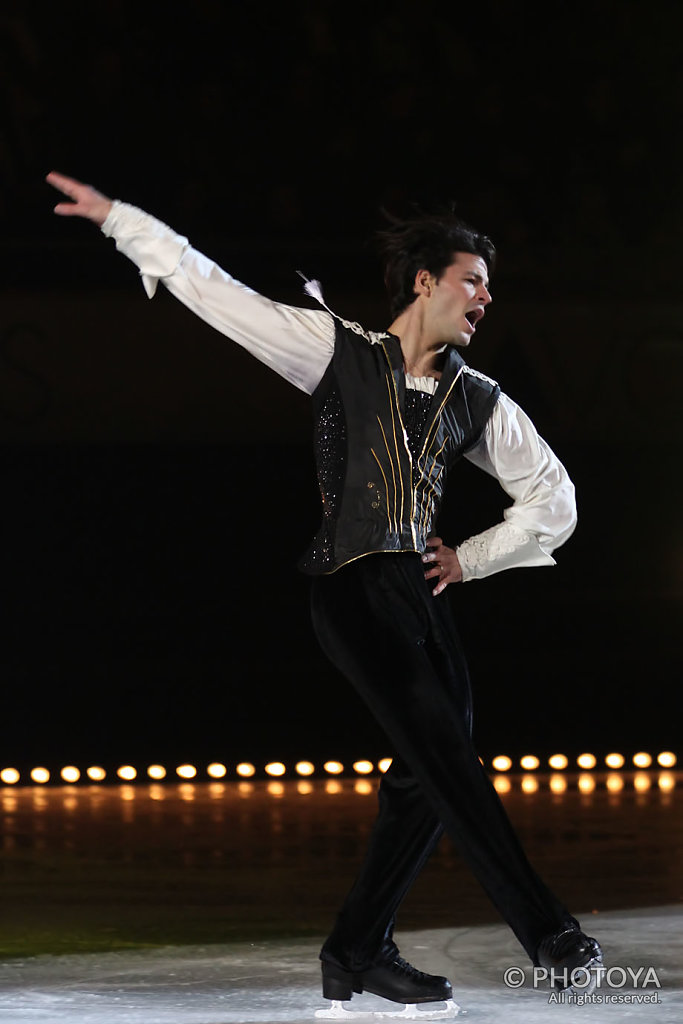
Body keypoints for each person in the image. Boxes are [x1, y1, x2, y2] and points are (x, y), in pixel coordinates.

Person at [46, 171, 603, 1018]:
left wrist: (472, 558)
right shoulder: (334, 351)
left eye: (491, 288)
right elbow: (213, 291)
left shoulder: (478, 400)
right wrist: (124, 221)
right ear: (425, 281)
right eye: (472, 281)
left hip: (423, 594)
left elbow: (553, 499)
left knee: (426, 774)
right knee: (448, 759)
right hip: (351, 589)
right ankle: (552, 936)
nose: (485, 298)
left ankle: (356, 949)